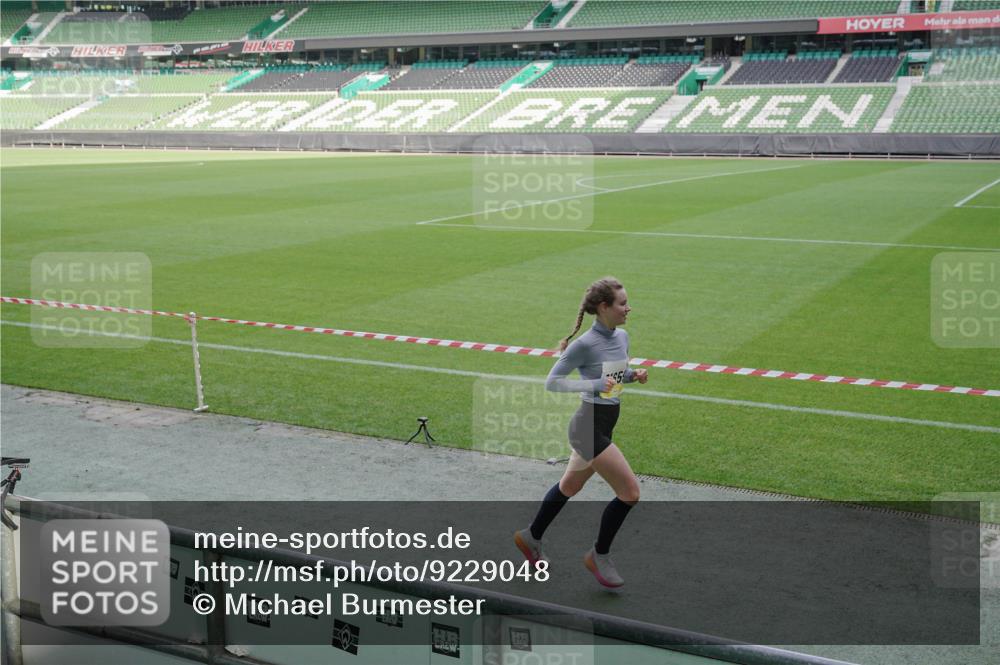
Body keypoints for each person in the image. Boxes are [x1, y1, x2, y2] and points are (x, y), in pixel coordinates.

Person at [514, 277, 648, 588]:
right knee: (630, 493)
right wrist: (593, 385)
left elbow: (612, 378)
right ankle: (598, 555)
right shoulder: (584, 344)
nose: (629, 307)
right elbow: (553, 382)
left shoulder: (622, 337)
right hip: (587, 426)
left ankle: (531, 536)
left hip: (604, 422)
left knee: (569, 487)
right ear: (604, 308)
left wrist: (632, 375)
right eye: (622, 303)